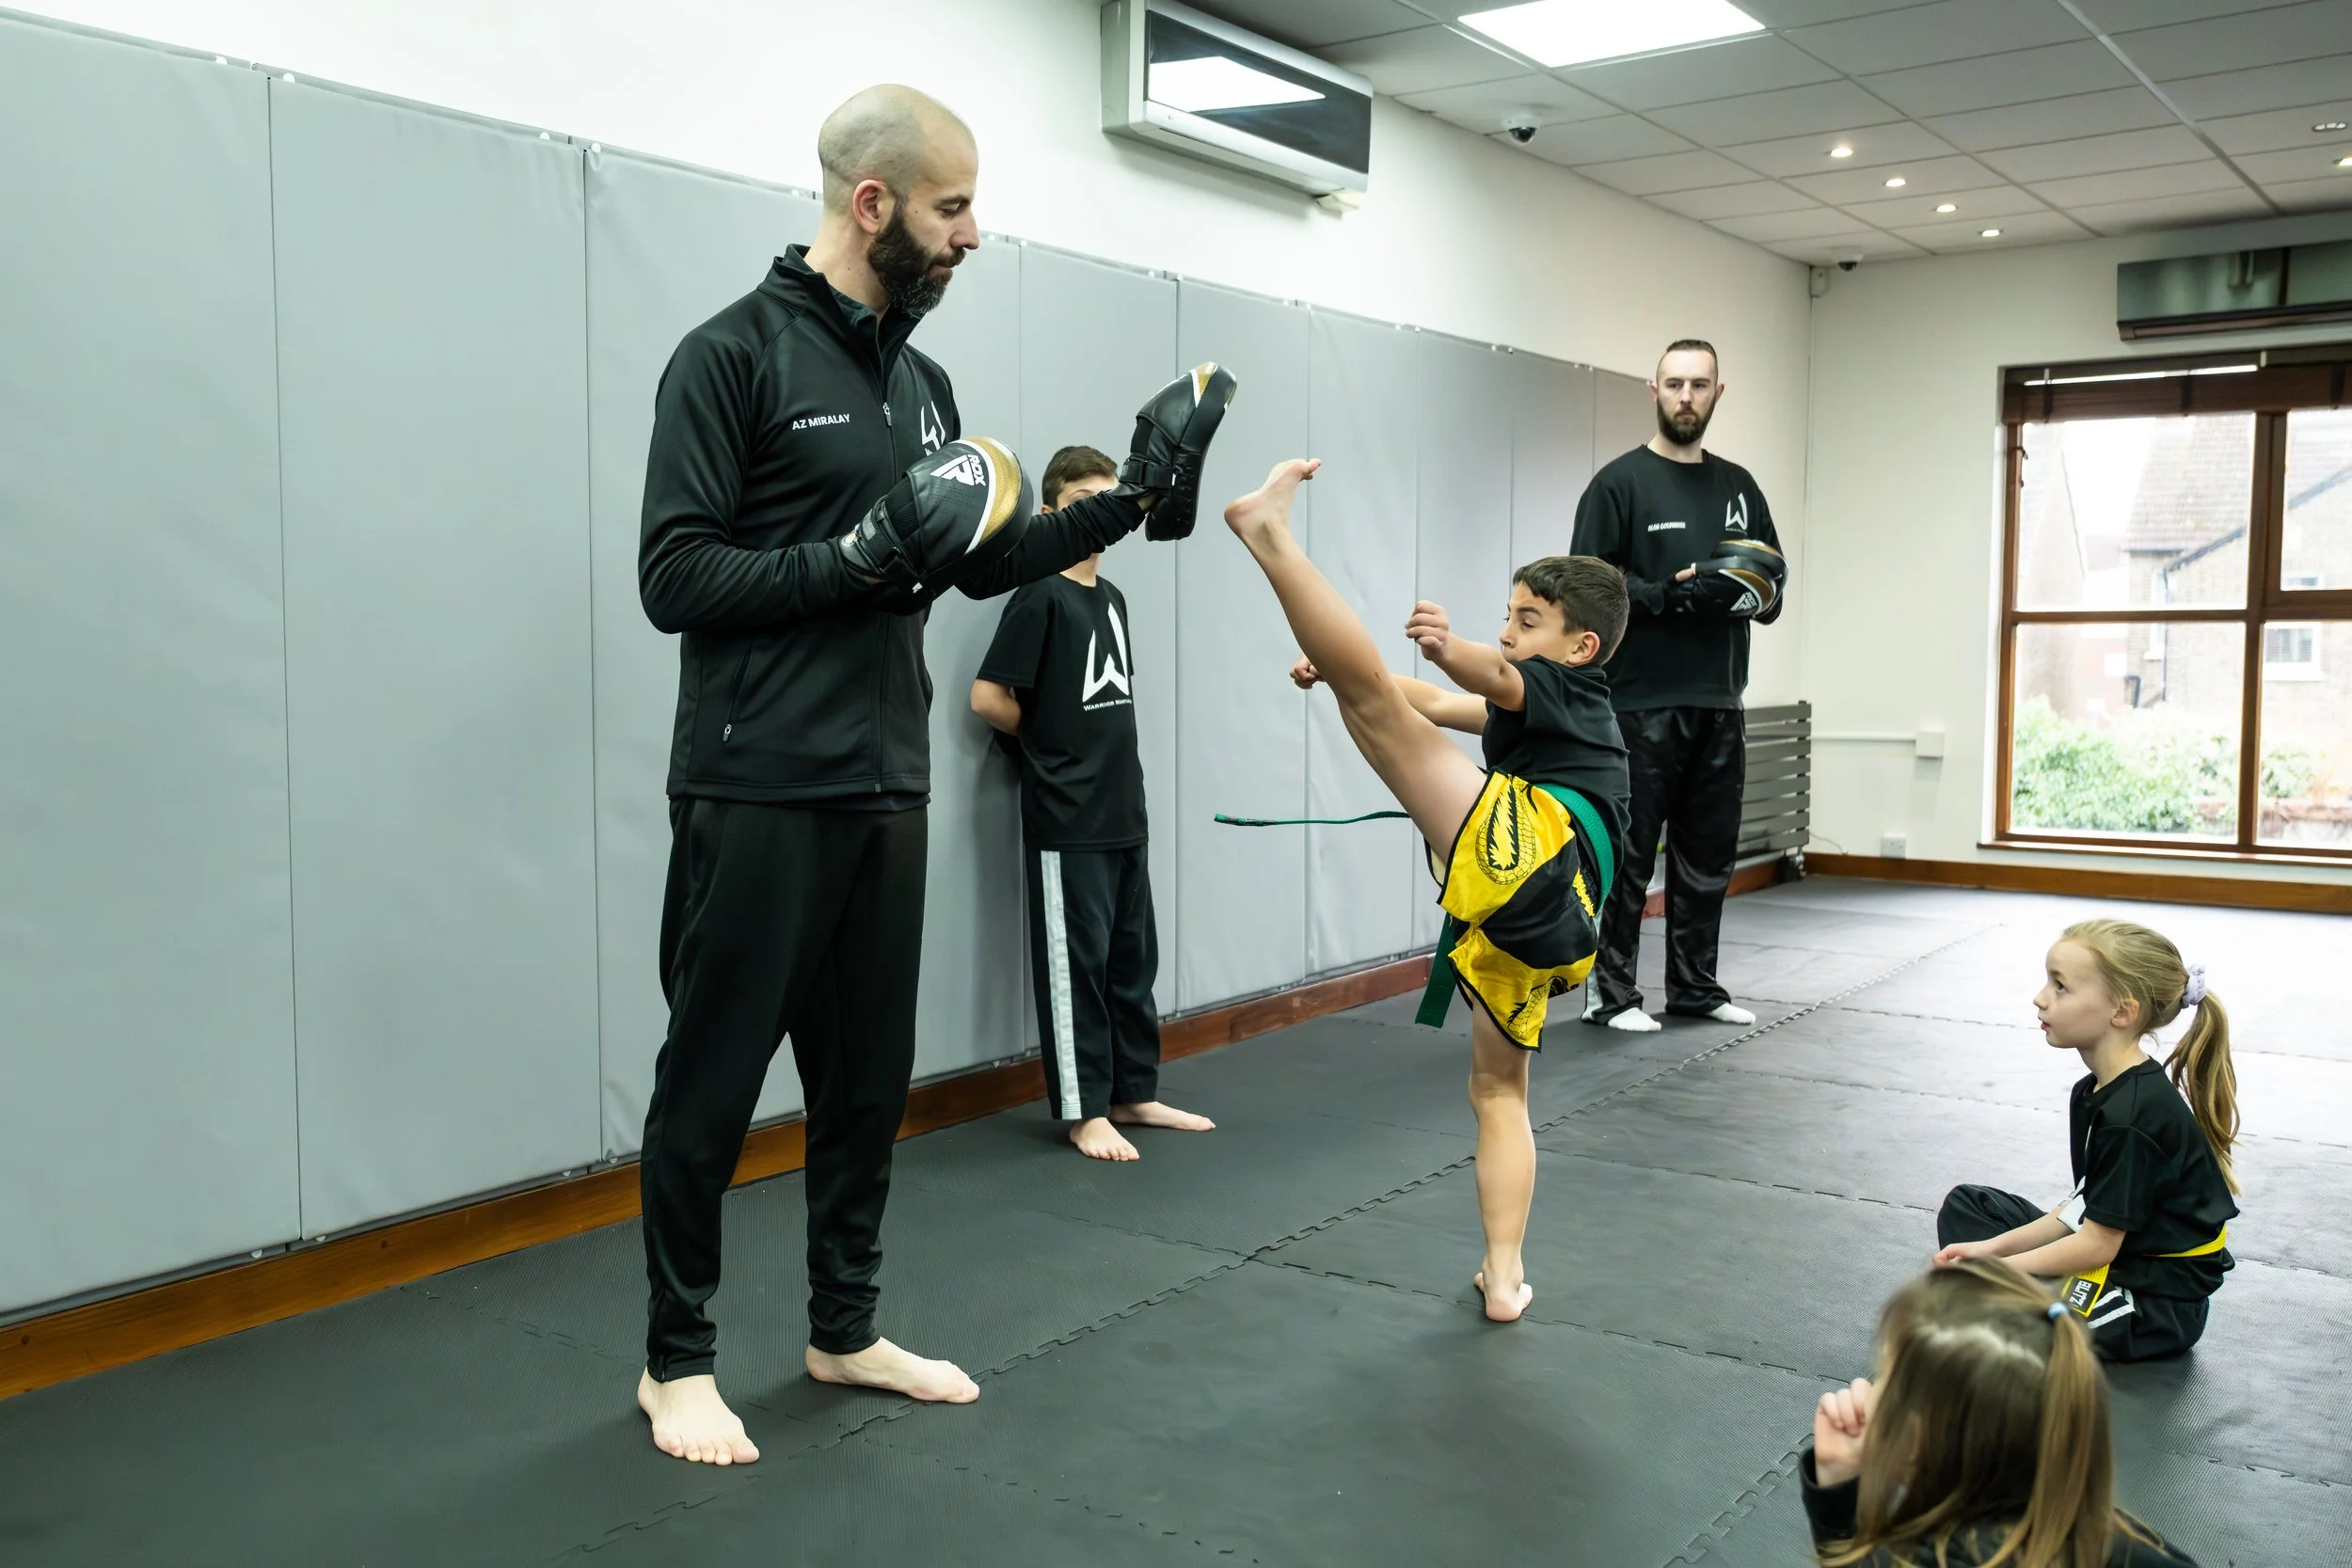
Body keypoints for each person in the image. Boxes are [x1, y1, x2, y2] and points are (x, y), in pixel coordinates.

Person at [631, 85, 1228, 1465]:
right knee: (712, 1082)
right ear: (874, 203)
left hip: (882, 779)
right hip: (757, 779)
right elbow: (672, 577)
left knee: (865, 1086)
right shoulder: (727, 357)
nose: (975, 233)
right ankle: (676, 1358)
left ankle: (844, 1325)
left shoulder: (922, 384)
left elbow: (970, 553)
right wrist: (847, 561)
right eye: (954, 207)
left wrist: (1123, 499)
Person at [1230, 457, 1629, 1323]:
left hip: (1540, 859)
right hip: (1550, 925)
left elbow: (1478, 677)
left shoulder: (1569, 685)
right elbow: (1436, 702)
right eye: (1508, 617)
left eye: (1530, 621)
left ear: (1580, 646)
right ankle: (1506, 1275)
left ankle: (1269, 538)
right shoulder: (1554, 712)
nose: (1512, 632)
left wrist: (1453, 647)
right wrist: (1342, 670)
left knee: (1370, 705)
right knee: (1499, 1091)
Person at [969, 445, 1215, 1161]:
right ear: (1051, 513)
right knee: (1076, 967)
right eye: (1084, 499)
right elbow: (988, 697)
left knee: (1130, 962)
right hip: (1066, 816)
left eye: (1114, 496)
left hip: (1122, 811)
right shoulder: (1039, 593)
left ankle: (1133, 1092)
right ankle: (1083, 1110)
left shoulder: (1112, 599)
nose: (1103, 510)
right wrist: (1050, 749)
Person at [1570, 339, 1784, 1034]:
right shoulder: (1618, 484)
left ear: (1719, 393)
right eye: (1674, 384)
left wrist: (1736, 594)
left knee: (1708, 854)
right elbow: (1584, 589)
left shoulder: (1740, 488)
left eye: (1699, 384)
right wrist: (1667, 596)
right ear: (1654, 390)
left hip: (1720, 700)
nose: (1686, 396)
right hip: (1638, 703)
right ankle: (1611, 991)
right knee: (1631, 855)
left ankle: (1695, 987)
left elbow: (1772, 588)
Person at [1934, 920, 2239, 1362]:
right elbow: (2084, 1205)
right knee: (1970, 1206)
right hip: (2113, 1257)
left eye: (2061, 987)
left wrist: (1996, 1270)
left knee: (2032, 1327)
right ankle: (2015, 1292)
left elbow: (2098, 1243)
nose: (2040, 998)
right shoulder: (2094, 1090)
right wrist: (1990, 1250)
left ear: (2122, 1012)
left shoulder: (2133, 1115)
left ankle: (2015, 1298)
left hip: (2155, 1302)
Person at [1804, 1259, 2200, 1566]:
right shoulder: (2124, 1542)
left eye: (1886, 1380)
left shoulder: (1920, 1559)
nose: (1869, 1392)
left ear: (1932, 1441)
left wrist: (1838, 1500)